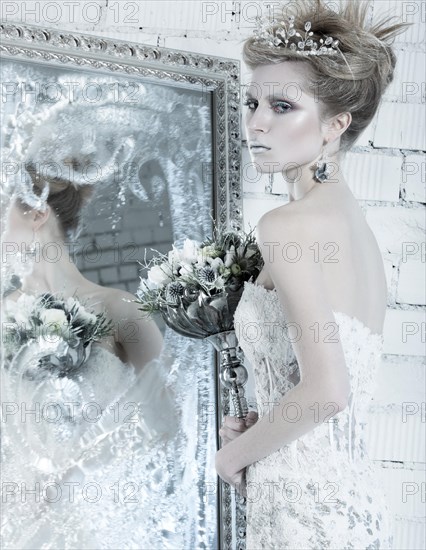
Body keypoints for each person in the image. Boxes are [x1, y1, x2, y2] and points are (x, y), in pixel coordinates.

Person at [215, 1, 408, 548]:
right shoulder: (356, 228)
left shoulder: (288, 225)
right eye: (252, 102)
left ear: (335, 124)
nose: (256, 121)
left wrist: (233, 456)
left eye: (281, 106)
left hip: (306, 507)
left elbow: (328, 388)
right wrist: (266, 426)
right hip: (349, 497)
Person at [0, 165, 185, 548]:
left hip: (100, 521)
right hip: (18, 518)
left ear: (37, 213)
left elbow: (170, 426)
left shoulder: (121, 310)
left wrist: (78, 474)